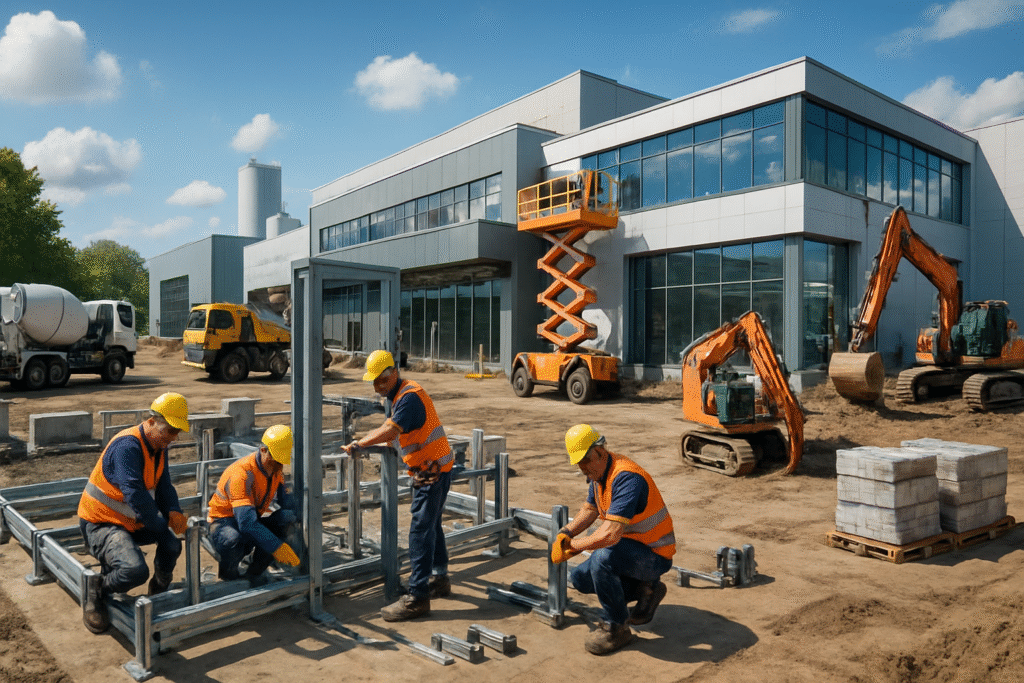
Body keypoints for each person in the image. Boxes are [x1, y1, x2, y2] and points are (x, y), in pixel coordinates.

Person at [342, 349, 453, 622]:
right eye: (374, 382)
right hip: (434, 468)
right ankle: (439, 577)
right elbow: (396, 437)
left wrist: (361, 443)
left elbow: (391, 431)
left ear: (394, 374)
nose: (377, 387)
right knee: (432, 524)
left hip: (432, 471)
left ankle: (417, 597)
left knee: (419, 531)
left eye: (381, 381)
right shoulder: (399, 397)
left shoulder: (409, 398)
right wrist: (371, 443)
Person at [551, 424, 676, 655]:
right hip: (629, 552)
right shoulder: (599, 475)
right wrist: (566, 532)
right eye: (578, 464)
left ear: (599, 452)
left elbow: (610, 534)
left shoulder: (627, 477)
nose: (582, 469)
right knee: (579, 579)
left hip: (654, 555)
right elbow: (589, 509)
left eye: (585, 462)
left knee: (602, 558)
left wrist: (573, 547)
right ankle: (645, 590)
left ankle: (616, 627)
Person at [77, 392, 192, 634]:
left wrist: (173, 511)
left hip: (131, 522)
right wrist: (162, 525)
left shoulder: (158, 445)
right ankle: (97, 589)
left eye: (176, 432)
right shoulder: (127, 447)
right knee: (134, 570)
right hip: (101, 523)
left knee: (172, 546)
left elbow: (163, 485)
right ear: (151, 421)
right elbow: (136, 494)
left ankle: (158, 593)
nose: (174, 437)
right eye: (170, 430)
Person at [206, 424, 301, 585]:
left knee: (285, 519)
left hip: (251, 517)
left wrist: (300, 513)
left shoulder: (276, 469)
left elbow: (284, 501)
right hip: (224, 521)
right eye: (275, 460)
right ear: (263, 450)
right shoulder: (242, 474)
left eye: (281, 461)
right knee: (233, 539)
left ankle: (254, 573)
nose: (278, 465)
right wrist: (276, 546)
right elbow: (246, 523)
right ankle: (230, 578)